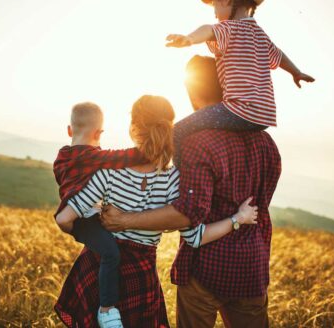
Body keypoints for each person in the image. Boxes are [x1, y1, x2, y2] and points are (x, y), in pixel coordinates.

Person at [101, 55, 282, 327]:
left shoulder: (198, 142)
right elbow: (262, 206)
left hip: (205, 270)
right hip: (251, 266)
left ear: (193, 93)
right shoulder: (267, 143)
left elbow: (188, 214)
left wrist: (124, 220)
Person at [55, 95, 259, 328]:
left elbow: (67, 216)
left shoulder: (108, 171)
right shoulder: (174, 181)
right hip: (141, 279)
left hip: (98, 270)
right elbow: (196, 237)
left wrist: (87, 232)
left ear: (133, 129)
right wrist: (237, 219)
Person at [165, 0, 314, 165]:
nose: (215, 13)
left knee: (177, 132)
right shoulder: (260, 35)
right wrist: (296, 72)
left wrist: (189, 39)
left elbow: (208, 30)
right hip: (263, 118)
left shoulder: (229, 28)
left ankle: (177, 179)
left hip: (239, 111)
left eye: (215, 6)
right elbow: (280, 55)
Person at [53, 102, 148, 325]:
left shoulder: (62, 157)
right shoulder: (95, 157)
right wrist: (154, 147)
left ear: (69, 130)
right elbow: (128, 156)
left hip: (80, 219)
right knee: (111, 253)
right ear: (98, 133)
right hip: (84, 221)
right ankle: (107, 310)